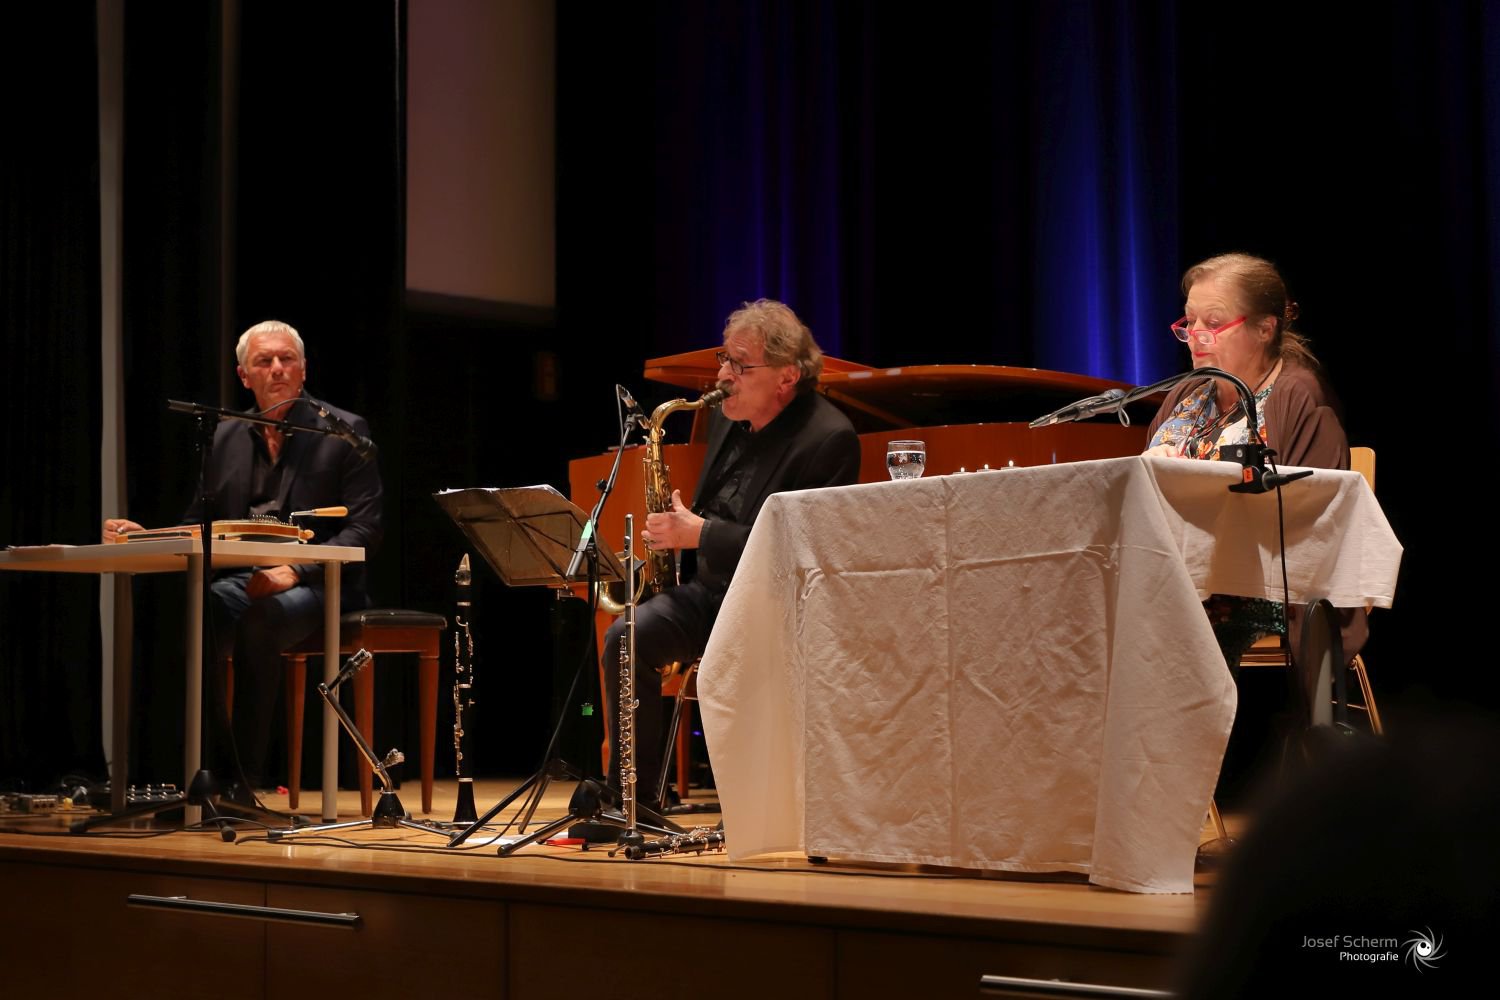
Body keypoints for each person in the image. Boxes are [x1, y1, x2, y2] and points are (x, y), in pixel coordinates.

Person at [104, 320, 382, 794]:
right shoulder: (226, 435)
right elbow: (200, 521)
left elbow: (365, 529)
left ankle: (245, 779)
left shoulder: (344, 432)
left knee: (262, 619)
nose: (277, 369)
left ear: (304, 368)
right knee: (194, 612)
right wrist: (149, 536)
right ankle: (203, 767)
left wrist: (295, 569)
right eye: (264, 361)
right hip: (244, 579)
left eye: (287, 359)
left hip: (323, 583)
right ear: (243, 375)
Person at [603, 299, 861, 807]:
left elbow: (802, 551)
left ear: (786, 377)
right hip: (713, 593)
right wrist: (678, 528)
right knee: (627, 635)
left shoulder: (829, 439)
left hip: (777, 610)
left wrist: (701, 534)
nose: (723, 375)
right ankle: (633, 799)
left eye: (740, 365)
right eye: (724, 358)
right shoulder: (726, 419)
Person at [1143, 253, 1364, 712]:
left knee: (1161, 627)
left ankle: (1193, 752)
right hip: (1176, 580)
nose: (1196, 335)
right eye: (1189, 321)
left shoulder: (1298, 397)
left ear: (1264, 328)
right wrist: (1151, 470)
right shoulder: (1186, 395)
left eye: (1214, 323)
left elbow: (1314, 522)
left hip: (1263, 592)